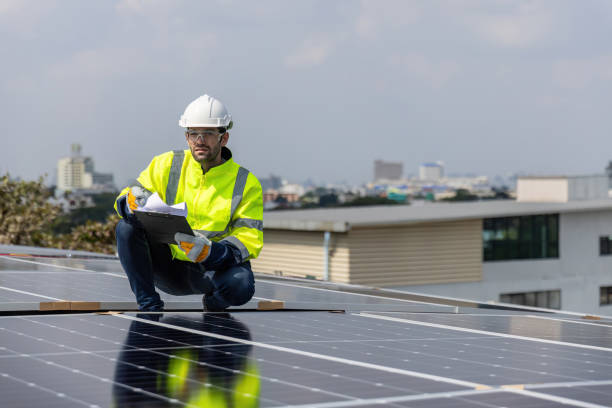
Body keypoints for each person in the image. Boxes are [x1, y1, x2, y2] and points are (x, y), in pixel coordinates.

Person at [114, 93, 263, 312]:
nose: (200, 140)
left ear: (224, 138)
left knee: (240, 283)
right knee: (125, 228)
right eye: (194, 133)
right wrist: (129, 203)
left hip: (209, 270)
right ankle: (149, 306)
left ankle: (213, 304)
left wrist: (214, 252)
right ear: (186, 137)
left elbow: (249, 239)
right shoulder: (166, 164)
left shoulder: (245, 182)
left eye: (208, 133)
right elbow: (131, 196)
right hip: (166, 265)